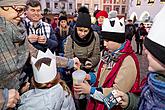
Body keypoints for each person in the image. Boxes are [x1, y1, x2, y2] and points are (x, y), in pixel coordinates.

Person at [74, 17, 140, 110]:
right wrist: (90, 77)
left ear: (118, 40)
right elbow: (101, 75)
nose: (104, 44)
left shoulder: (128, 61)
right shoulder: (108, 53)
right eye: (104, 40)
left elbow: (117, 95)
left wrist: (90, 90)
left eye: (107, 41)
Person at [114, 6, 165, 110]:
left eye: (152, 50)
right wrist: (130, 101)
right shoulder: (153, 81)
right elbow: (143, 101)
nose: (145, 51)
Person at [64, 12, 100, 110]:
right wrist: (74, 65)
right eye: (80, 30)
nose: (83, 34)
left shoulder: (95, 36)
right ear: (76, 28)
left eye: (85, 30)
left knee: (90, 93)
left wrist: (90, 62)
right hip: (76, 69)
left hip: (89, 69)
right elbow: (68, 56)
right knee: (79, 95)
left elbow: (96, 54)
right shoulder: (71, 38)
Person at [0, 0, 29, 109]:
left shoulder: (19, 29)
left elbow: (34, 54)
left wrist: (69, 62)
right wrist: (2, 97)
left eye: (23, 9)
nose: (22, 15)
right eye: (18, 9)